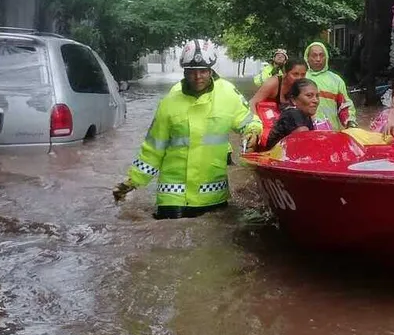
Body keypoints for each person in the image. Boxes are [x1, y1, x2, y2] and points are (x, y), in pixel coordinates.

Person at [112, 40, 262, 219]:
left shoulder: (228, 94)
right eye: (192, 72)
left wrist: (252, 132)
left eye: (203, 71)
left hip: (213, 194)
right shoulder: (169, 103)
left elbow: (247, 121)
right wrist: (132, 181)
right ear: (184, 72)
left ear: (211, 70)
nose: (198, 77)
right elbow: (153, 149)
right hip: (172, 197)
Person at [304, 41, 357, 130]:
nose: (318, 59)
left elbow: (344, 106)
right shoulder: (301, 77)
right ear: (307, 58)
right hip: (305, 132)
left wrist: (350, 124)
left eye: (321, 55)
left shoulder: (336, 80)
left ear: (326, 57)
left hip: (331, 133)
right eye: (314, 56)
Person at [262, 78, 319, 150]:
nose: (316, 100)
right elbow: (305, 143)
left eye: (317, 96)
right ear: (293, 100)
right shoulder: (293, 114)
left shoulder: (306, 115)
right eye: (309, 95)